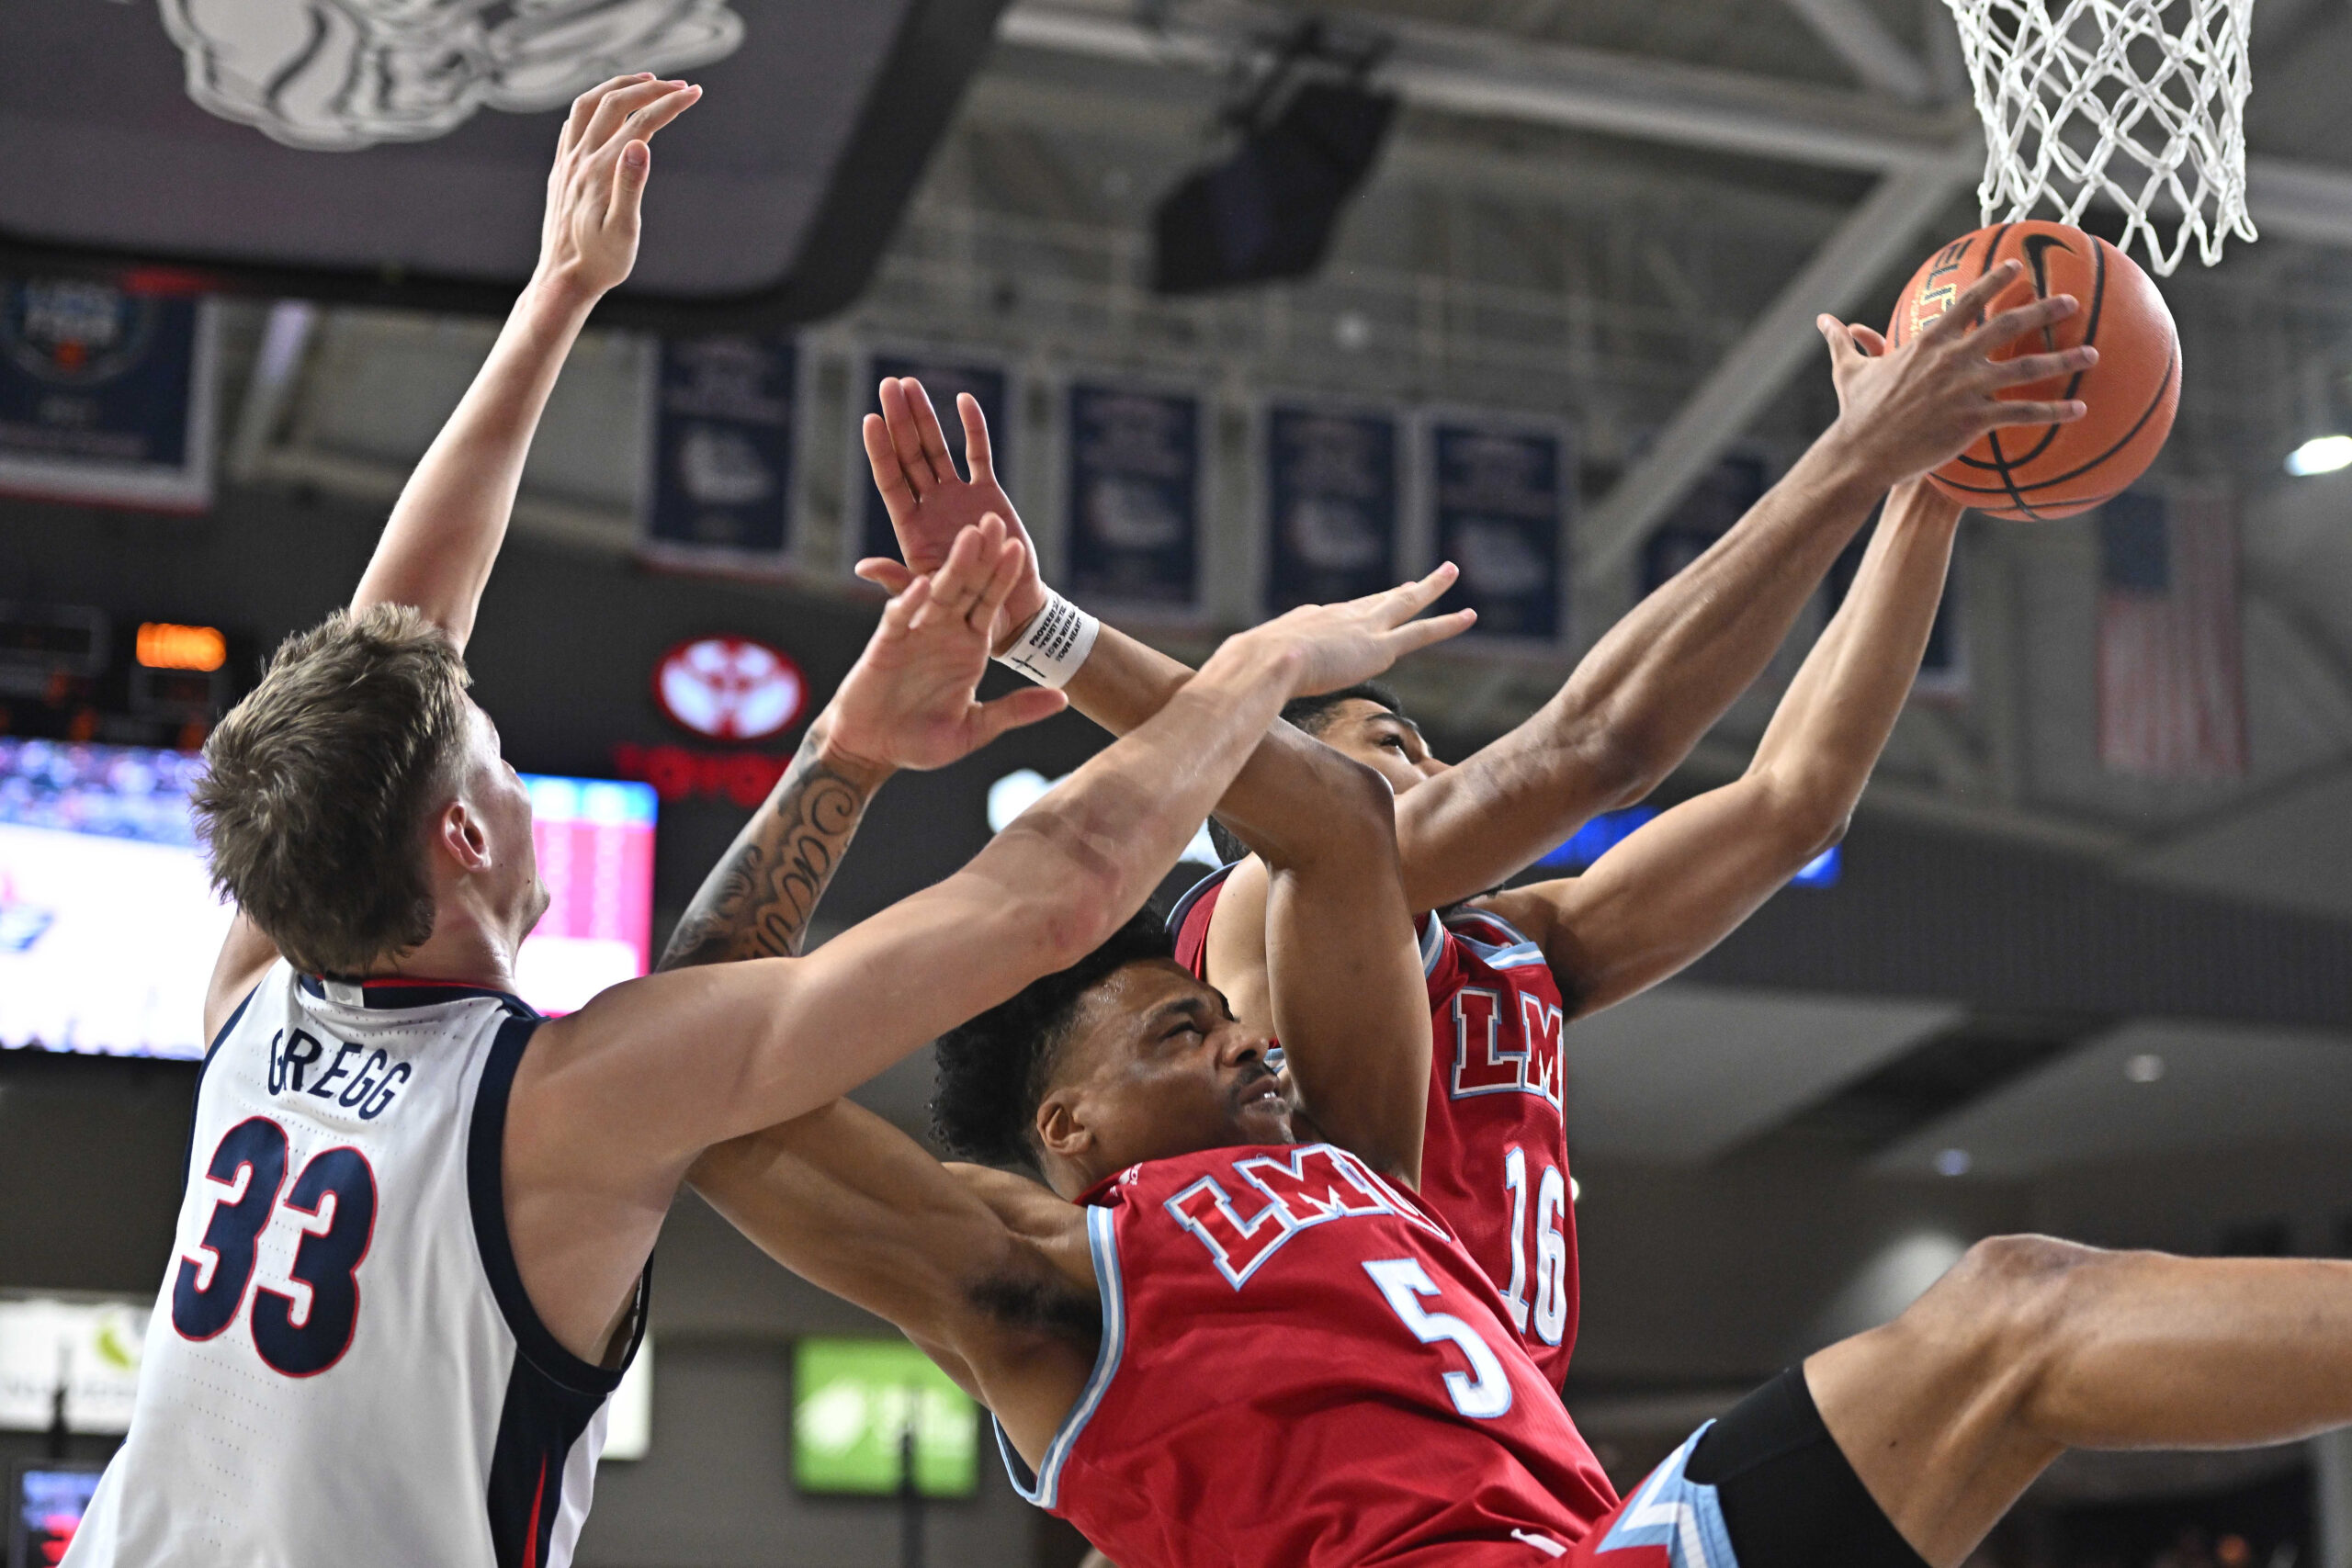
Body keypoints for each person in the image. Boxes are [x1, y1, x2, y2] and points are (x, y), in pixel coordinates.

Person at [62, 73, 1470, 1567]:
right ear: (459, 842)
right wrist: (1260, 668)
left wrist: (559, 299)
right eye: (496, 761)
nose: (514, 771)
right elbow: (1048, 895)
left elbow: (393, 635)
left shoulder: (257, 1000)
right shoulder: (559, 1100)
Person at [686, 483, 2352, 1565]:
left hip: (1561, 1505)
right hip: (1429, 1506)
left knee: (2017, 1307)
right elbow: (1556, 763)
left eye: (1412, 740)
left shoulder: (1460, 1016)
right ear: (1072, 1127)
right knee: (2006, 1321)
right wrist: (1172, 669)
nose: (1406, 766)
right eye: (1368, 745)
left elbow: (1789, 799)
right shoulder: (1230, 984)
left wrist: (1922, 502)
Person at [848, 258, 2096, 1386]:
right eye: (1395, 750)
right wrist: (1854, 459)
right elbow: (1594, 747)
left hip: (1500, 1439)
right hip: (1343, 1408)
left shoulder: (1520, 945)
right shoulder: (1260, 918)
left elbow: (1793, 801)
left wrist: (1926, 498)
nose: (1437, 767)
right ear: (1279, 800)